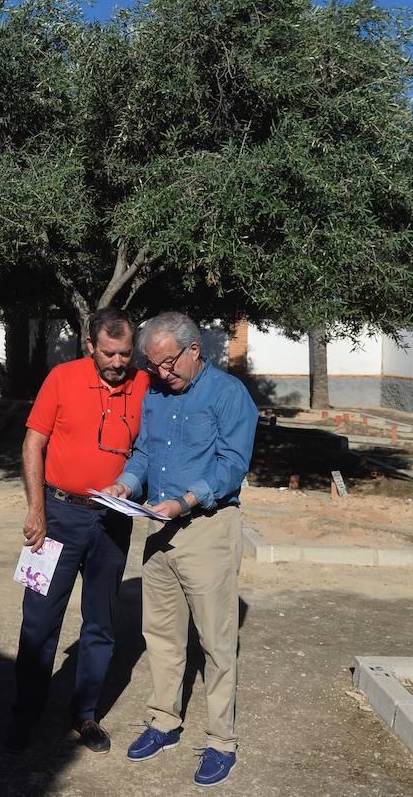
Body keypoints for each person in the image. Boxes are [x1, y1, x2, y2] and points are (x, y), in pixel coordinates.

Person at [102, 311, 258, 787]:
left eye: (168, 364)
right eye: (153, 367)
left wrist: (186, 500)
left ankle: (220, 741)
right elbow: (145, 452)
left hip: (207, 526)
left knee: (214, 641)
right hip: (158, 525)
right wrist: (126, 485)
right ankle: (164, 721)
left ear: (194, 350)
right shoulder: (155, 393)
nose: (162, 374)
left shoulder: (230, 395)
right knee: (162, 633)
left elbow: (232, 465)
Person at [6, 308, 151, 754]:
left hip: (113, 519)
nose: (117, 363)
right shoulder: (62, 378)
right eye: (108, 353)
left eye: (125, 354)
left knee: (101, 622)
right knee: (39, 623)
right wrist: (36, 510)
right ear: (90, 347)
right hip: (58, 514)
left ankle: (85, 714)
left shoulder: (144, 384)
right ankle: (26, 714)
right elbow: (34, 442)